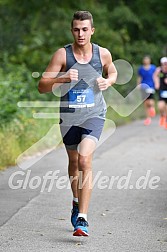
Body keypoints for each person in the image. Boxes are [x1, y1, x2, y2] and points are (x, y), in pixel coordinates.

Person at [38, 10, 117, 236]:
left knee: (84, 160)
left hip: (94, 115)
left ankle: (82, 218)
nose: (80, 34)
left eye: (85, 29)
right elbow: (42, 86)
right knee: (73, 162)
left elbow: (112, 71)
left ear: (92, 30)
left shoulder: (102, 54)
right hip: (69, 116)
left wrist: (108, 81)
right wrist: (62, 78)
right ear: (71, 30)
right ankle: (75, 201)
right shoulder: (62, 55)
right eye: (76, 29)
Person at [137, 55, 156, 125]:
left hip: (151, 86)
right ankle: (148, 118)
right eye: (144, 60)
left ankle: (152, 108)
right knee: (145, 103)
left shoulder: (153, 68)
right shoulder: (141, 69)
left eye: (147, 59)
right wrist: (138, 85)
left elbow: (155, 76)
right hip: (143, 86)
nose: (146, 61)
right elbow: (139, 77)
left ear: (149, 60)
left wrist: (156, 83)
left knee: (150, 101)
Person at [153, 57, 167, 129]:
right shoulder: (159, 70)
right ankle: (162, 116)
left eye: (166, 64)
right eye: (163, 64)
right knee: (161, 107)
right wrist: (156, 83)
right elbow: (155, 76)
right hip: (162, 91)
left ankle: (166, 122)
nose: (165, 66)